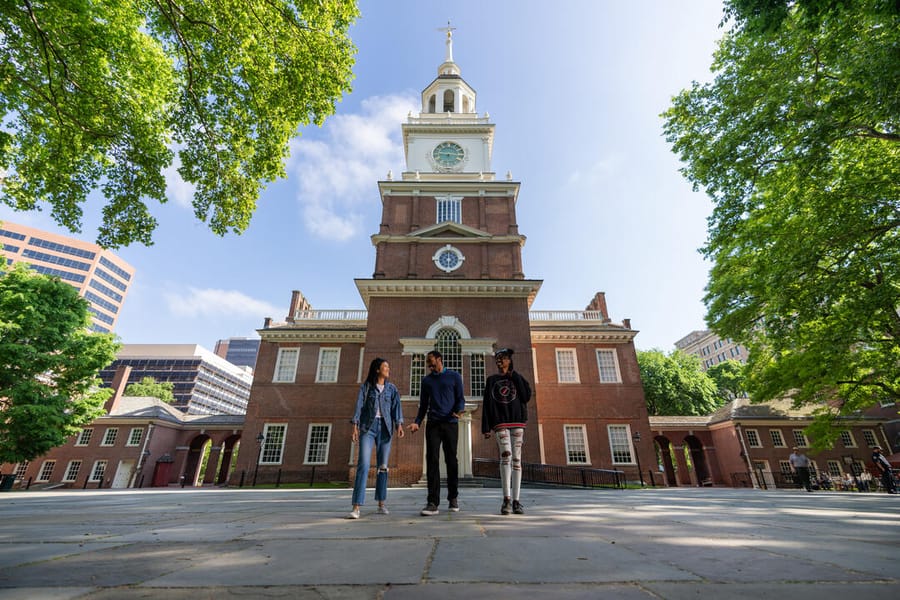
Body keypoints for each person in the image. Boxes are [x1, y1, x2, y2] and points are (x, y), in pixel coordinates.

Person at [408, 350, 466, 516]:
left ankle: (453, 497)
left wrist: (458, 410)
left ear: (440, 359)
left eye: (431, 362)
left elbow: (460, 398)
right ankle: (432, 502)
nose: (429, 365)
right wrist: (417, 423)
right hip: (433, 424)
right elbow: (423, 405)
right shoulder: (426, 381)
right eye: (428, 363)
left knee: (451, 460)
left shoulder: (454, 376)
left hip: (450, 423)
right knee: (432, 460)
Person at [347, 358, 404, 519]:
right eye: (385, 366)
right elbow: (359, 406)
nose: (388, 369)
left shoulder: (392, 389)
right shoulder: (366, 387)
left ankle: (381, 503)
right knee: (363, 465)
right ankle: (356, 507)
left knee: (383, 467)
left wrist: (399, 425)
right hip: (368, 428)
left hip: (385, 429)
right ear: (377, 369)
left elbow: (396, 408)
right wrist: (355, 426)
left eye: (388, 366)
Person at [482, 348, 532, 515]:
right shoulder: (491, 380)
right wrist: (486, 427)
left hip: (517, 422)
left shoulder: (518, 378)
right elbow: (487, 404)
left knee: (517, 459)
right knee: (506, 456)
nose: (499, 361)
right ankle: (506, 500)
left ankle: (517, 501)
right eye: (497, 358)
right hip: (500, 423)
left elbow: (526, 396)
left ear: (509, 360)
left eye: (502, 358)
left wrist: (513, 375)